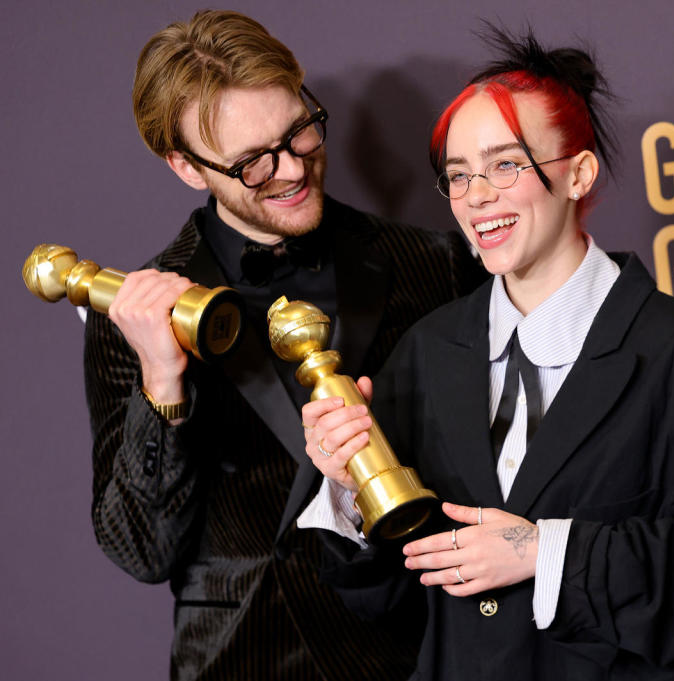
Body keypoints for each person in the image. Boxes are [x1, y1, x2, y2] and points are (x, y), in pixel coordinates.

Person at [300, 26, 674, 681]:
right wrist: (349, 485)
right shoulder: (427, 353)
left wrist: (545, 550)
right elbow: (387, 599)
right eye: (458, 175)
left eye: (505, 164)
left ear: (579, 173)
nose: (477, 196)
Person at [85, 10, 484, 680]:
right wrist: (162, 383)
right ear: (186, 166)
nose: (293, 168)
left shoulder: (433, 262)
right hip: (243, 658)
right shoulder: (132, 315)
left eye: (299, 130)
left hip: (413, 653)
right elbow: (142, 551)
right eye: (252, 162)